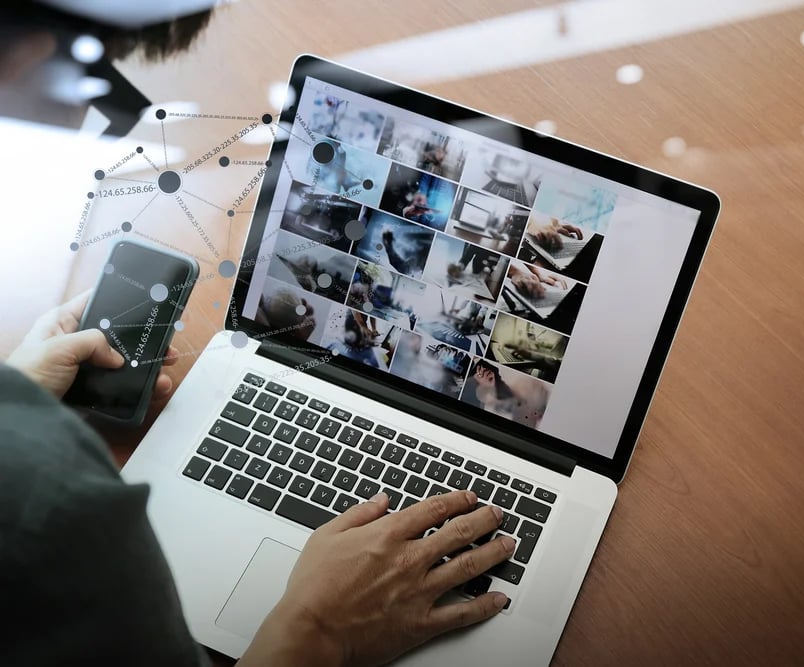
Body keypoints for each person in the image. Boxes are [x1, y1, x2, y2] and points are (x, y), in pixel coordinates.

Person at [0, 4, 512, 666]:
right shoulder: (46, 507)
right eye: (106, 73)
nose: (92, 117)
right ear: (31, 56)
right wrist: (318, 629)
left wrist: (21, 404)